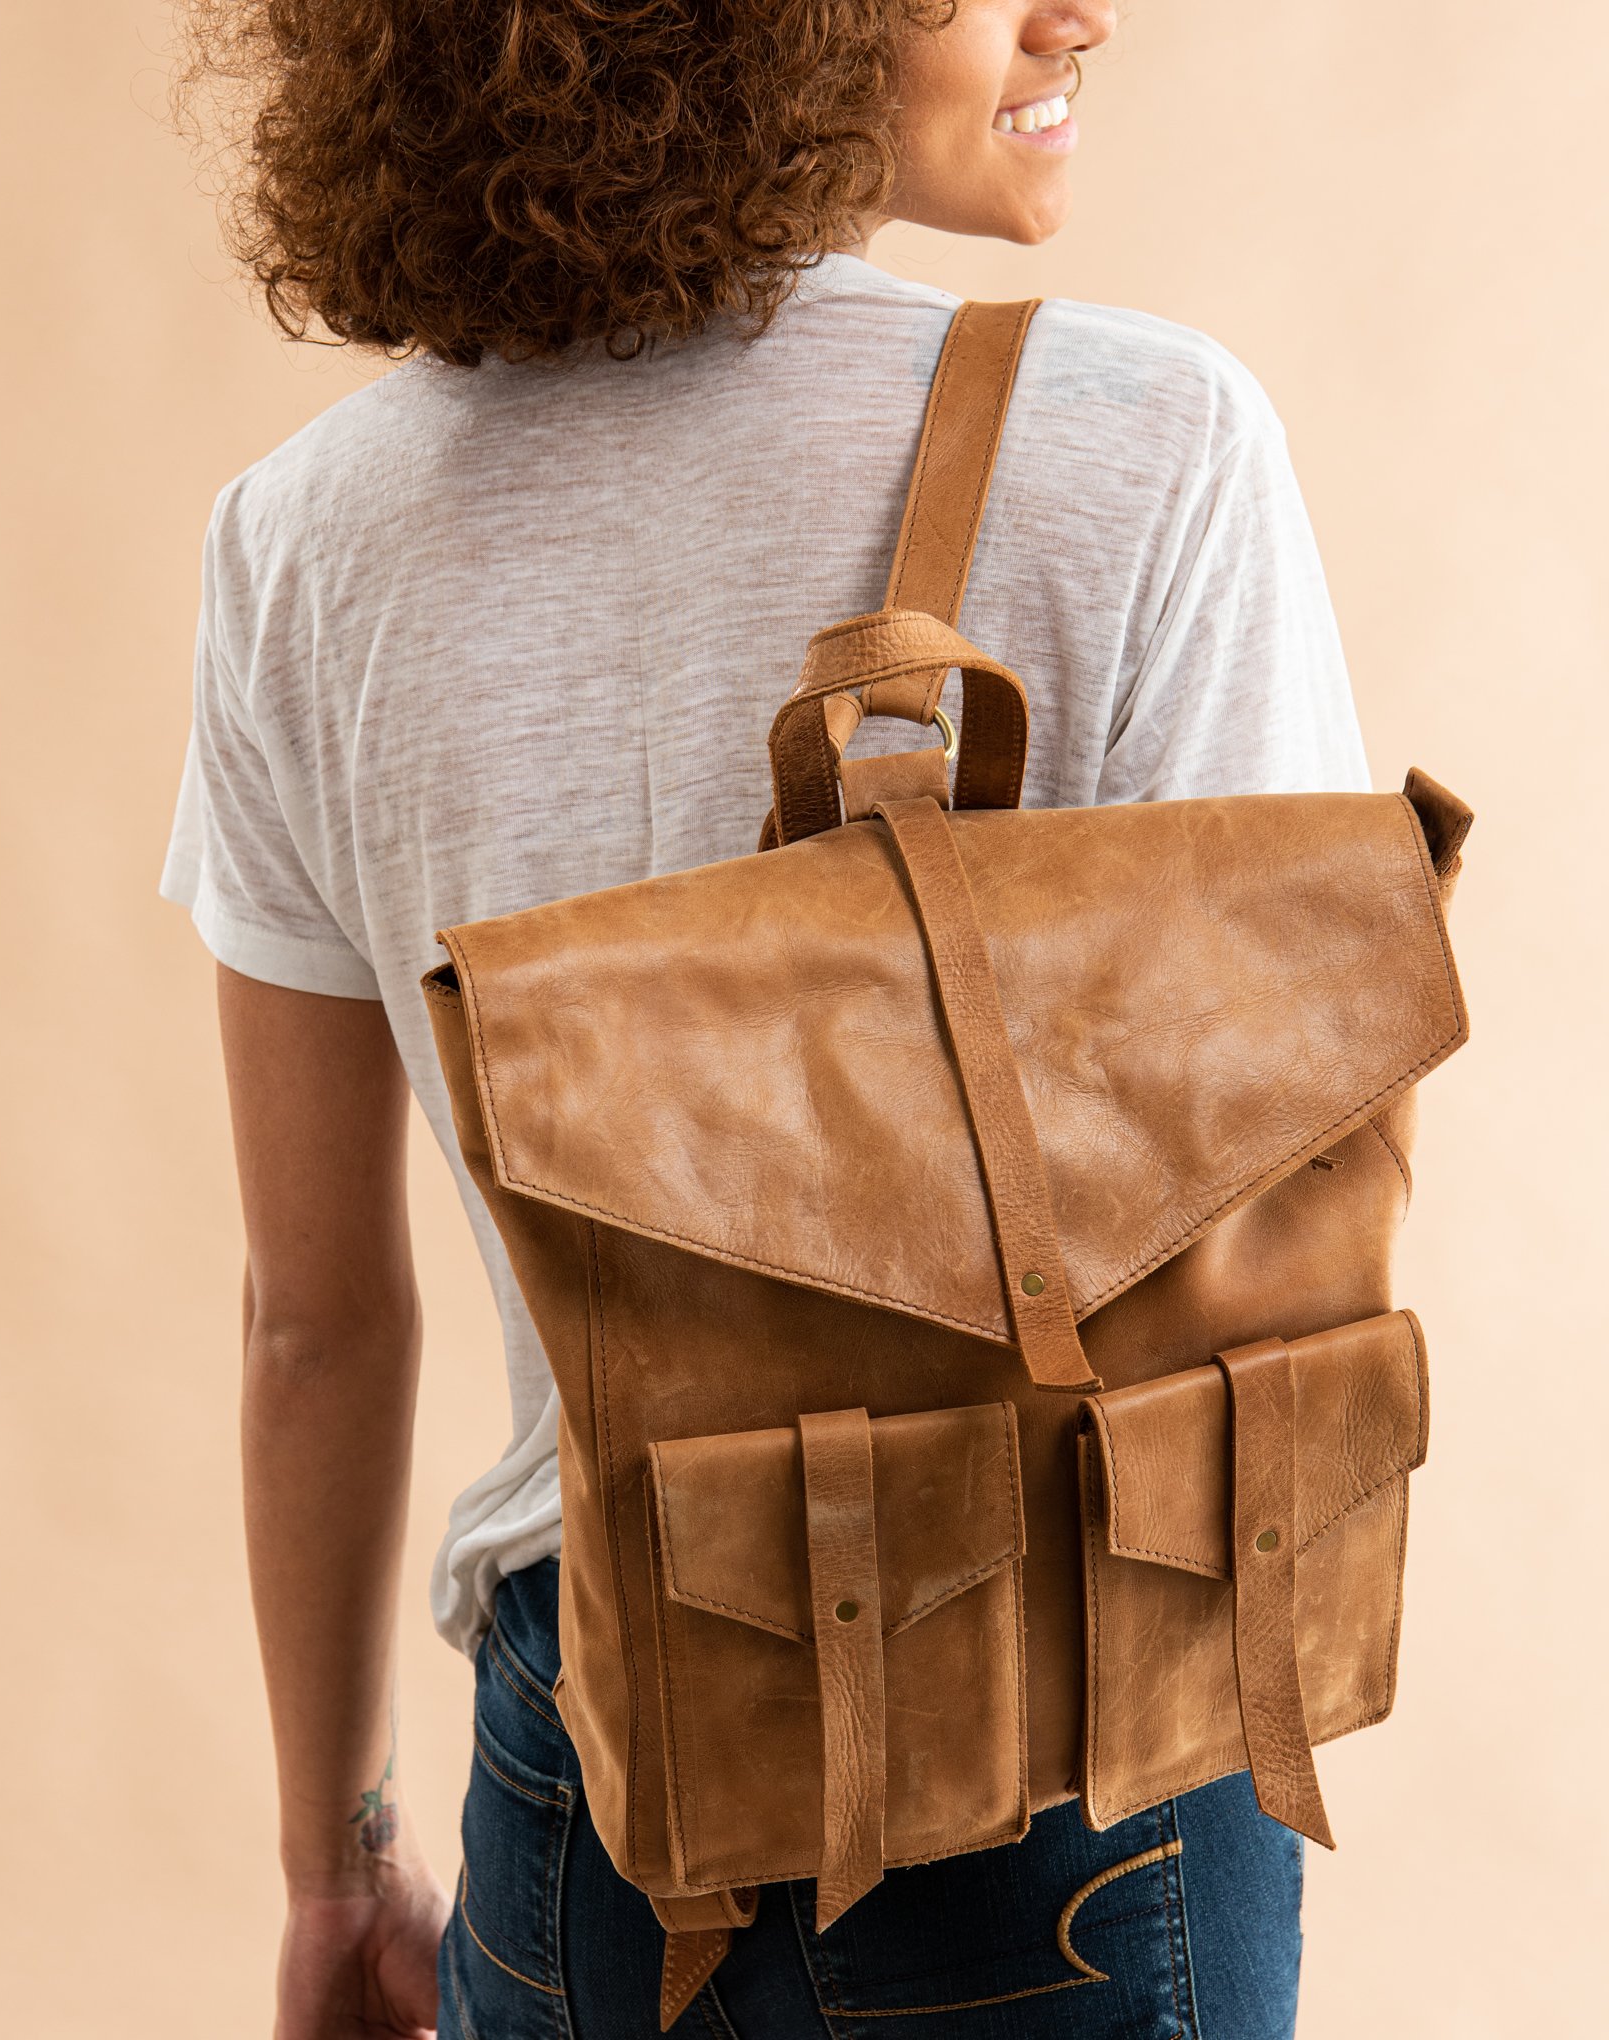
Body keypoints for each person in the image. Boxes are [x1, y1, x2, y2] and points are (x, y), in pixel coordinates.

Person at [162, 3, 1368, 2034]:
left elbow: (315, 1318)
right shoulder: (1153, 444)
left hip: (594, 1760)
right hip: (1061, 1741)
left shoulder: (299, 548)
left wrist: (332, 1855)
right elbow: (1281, 1190)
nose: (1081, 13)